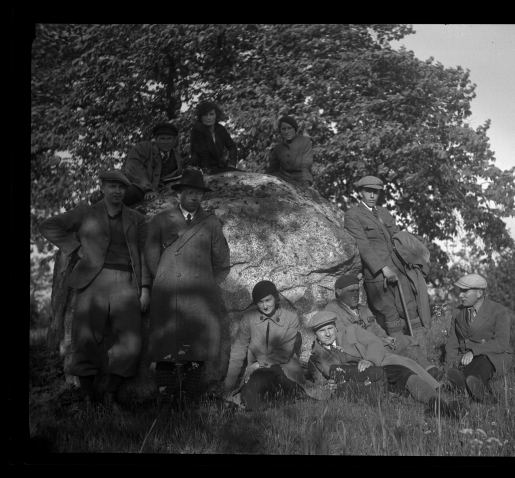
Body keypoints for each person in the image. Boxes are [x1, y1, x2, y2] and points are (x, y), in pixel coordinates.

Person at [38, 170, 150, 412]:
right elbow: (48, 225)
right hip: (92, 282)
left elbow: (142, 253)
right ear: (102, 187)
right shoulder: (85, 212)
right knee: (84, 338)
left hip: (125, 282)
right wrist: (75, 248)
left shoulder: (136, 218)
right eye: (112, 186)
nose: (117, 191)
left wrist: (145, 287)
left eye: (122, 187)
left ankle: (111, 395)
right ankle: (88, 398)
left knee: (132, 343)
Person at [144, 169, 231, 420]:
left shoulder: (211, 222)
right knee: (166, 346)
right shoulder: (162, 220)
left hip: (200, 294)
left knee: (197, 347)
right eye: (190, 192)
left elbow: (221, 260)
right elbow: (151, 257)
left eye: (199, 193)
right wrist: (164, 278)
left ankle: (188, 399)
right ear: (179, 194)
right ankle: (165, 400)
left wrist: (206, 283)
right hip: (168, 292)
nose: (195, 197)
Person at [307, 311, 468, 418]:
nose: (328, 334)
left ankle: (438, 403)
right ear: (315, 335)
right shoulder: (315, 359)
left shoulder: (351, 331)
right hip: (357, 386)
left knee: (404, 374)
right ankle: (445, 407)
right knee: (394, 392)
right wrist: (328, 387)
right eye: (322, 331)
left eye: (330, 328)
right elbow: (318, 385)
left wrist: (370, 360)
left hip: (378, 365)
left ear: (335, 328)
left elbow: (374, 342)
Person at [343, 175, 429, 350]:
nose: (372, 195)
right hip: (377, 275)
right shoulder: (353, 215)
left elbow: (397, 237)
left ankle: (425, 351)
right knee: (390, 315)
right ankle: (401, 353)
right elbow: (363, 245)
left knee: (411, 310)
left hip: (399, 268)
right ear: (361, 192)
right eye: (368, 191)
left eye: (376, 192)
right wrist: (383, 268)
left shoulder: (384, 213)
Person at [324, 274, 444, 387]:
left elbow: (375, 327)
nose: (356, 294)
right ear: (339, 292)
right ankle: (429, 382)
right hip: (364, 351)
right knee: (403, 360)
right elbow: (346, 338)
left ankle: (431, 370)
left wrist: (385, 337)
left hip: (379, 344)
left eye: (357, 291)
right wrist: (379, 341)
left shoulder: (363, 309)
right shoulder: (333, 309)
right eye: (351, 291)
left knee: (407, 340)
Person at [223, 281, 328, 411]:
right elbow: (238, 351)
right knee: (250, 396)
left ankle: (292, 394)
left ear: (276, 298)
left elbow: (283, 353)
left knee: (273, 388)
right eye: (260, 302)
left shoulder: (290, 318)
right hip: (257, 373)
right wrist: (228, 387)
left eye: (268, 300)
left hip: (283, 368)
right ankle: (278, 400)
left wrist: (258, 363)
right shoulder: (249, 318)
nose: (265, 306)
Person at [444, 274, 514, 403]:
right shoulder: (457, 312)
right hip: (465, 358)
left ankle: (466, 387)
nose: (460, 295)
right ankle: (478, 392)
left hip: (494, 354)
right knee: (469, 373)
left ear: (479, 293)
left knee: (481, 362)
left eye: (465, 291)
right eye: (460, 291)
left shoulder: (499, 311)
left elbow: (501, 343)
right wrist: (448, 366)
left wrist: (473, 351)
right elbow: (452, 343)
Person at [122, 122, 184, 206]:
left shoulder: (177, 157)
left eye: (169, 139)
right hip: (138, 186)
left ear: (174, 140)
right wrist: (148, 188)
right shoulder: (144, 147)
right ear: (156, 139)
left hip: (158, 192)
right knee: (127, 193)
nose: (166, 142)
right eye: (162, 139)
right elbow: (133, 166)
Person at [189, 101, 238, 172]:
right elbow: (203, 153)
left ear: (216, 115)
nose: (208, 118)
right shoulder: (197, 128)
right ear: (201, 117)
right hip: (200, 169)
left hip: (217, 168)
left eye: (211, 114)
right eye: (205, 115)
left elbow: (232, 147)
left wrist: (232, 165)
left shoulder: (220, 129)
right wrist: (207, 172)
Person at [266, 115, 313, 188]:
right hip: (283, 177)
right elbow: (272, 169)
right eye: (283, 129)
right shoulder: (278, 148)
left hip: (300, 178)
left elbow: (306, 165)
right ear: (280, 131)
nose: (286, 132)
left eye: (289, 128)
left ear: (294, 129)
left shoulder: (305, 142)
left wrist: (306, 183)